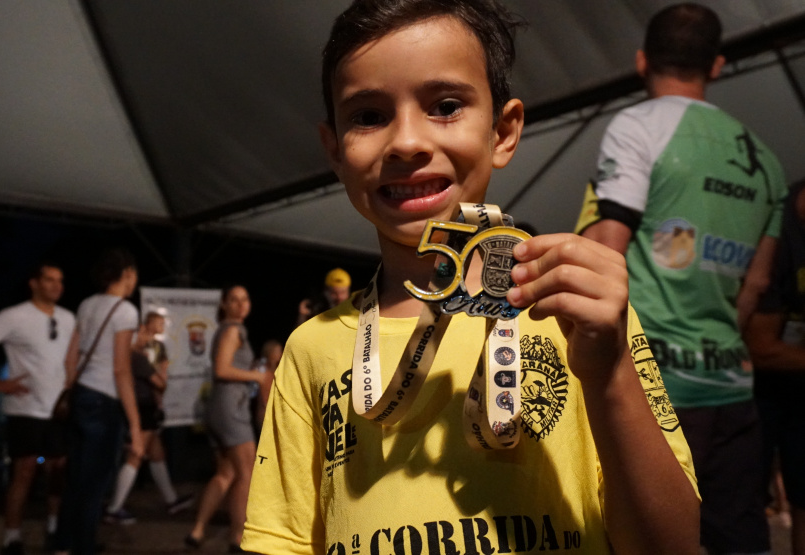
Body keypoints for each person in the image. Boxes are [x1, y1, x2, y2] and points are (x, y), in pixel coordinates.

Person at [242, 1, 700, 554]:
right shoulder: (310, 348)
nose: (406, 142)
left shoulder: (580, 315)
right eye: (367, 115)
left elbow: (672, 544)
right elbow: (282, 540)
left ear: (502, 132)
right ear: (335, 149)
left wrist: (608, 376)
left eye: (446, 105)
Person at [576, 4, 787, 553]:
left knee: (639, 537)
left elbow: (607, 252)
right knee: (740, 538)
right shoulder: (767, 164)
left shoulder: (636, 127)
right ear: (716, 66)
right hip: (730, 387)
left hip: (651, 385)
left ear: (642, 59)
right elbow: (757, 284)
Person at [0, 262, 75, 555]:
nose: (56, 286)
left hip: (59, 410)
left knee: (57, 473)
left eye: (60, 281)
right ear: (34, 283)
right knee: (24, 472)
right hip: (25, 408)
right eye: (49, 280)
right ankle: (12, 537)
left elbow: (73, 359)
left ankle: (54, 530)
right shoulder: (14, 315)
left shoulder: (69, 318)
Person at [52, 248, 143, 555]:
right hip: (105, 403)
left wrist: (74, 390)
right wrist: (135, 423)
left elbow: (70, 358)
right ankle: (84, 547)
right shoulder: (126, 311)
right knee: (96, 483)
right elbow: (121, 369)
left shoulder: (86, 304)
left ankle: (63, 544)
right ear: (127, 273)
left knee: (76, 479)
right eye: (134, 275)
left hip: (81, 396)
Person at [745, 180, 805, 554]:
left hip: (798, 391)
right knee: (746, 507)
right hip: (753, 394)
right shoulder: (775, 227)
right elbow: (762, 347)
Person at [186, 285, 269, 552]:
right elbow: (222, 369)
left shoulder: (228, 330)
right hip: (231, 410)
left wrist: (251, 370)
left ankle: (198, 531)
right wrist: (257, 376)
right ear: (224, 305)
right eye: (234, 300)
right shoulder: (233, 329)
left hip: (220, 409)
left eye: (245, 299)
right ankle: (237, 538)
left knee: (225, 473)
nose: (241, 304)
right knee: (246, 473)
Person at [104, 311, 193, 524]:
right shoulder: (136, 356)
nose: (146, 338)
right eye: (142, 333)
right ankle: (114, 508)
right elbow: (160, 382)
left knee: (157, 453)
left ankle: (171, 500)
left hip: (147, 406)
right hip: (141, 407)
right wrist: (161, 376)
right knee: (137, 454)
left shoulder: (139, 354)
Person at [253, 339, 283, 432]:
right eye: (277, 351)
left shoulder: (279, 370)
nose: (281, 354)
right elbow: (263, 396)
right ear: (269, 353)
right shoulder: (262, 370)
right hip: (266, 414)